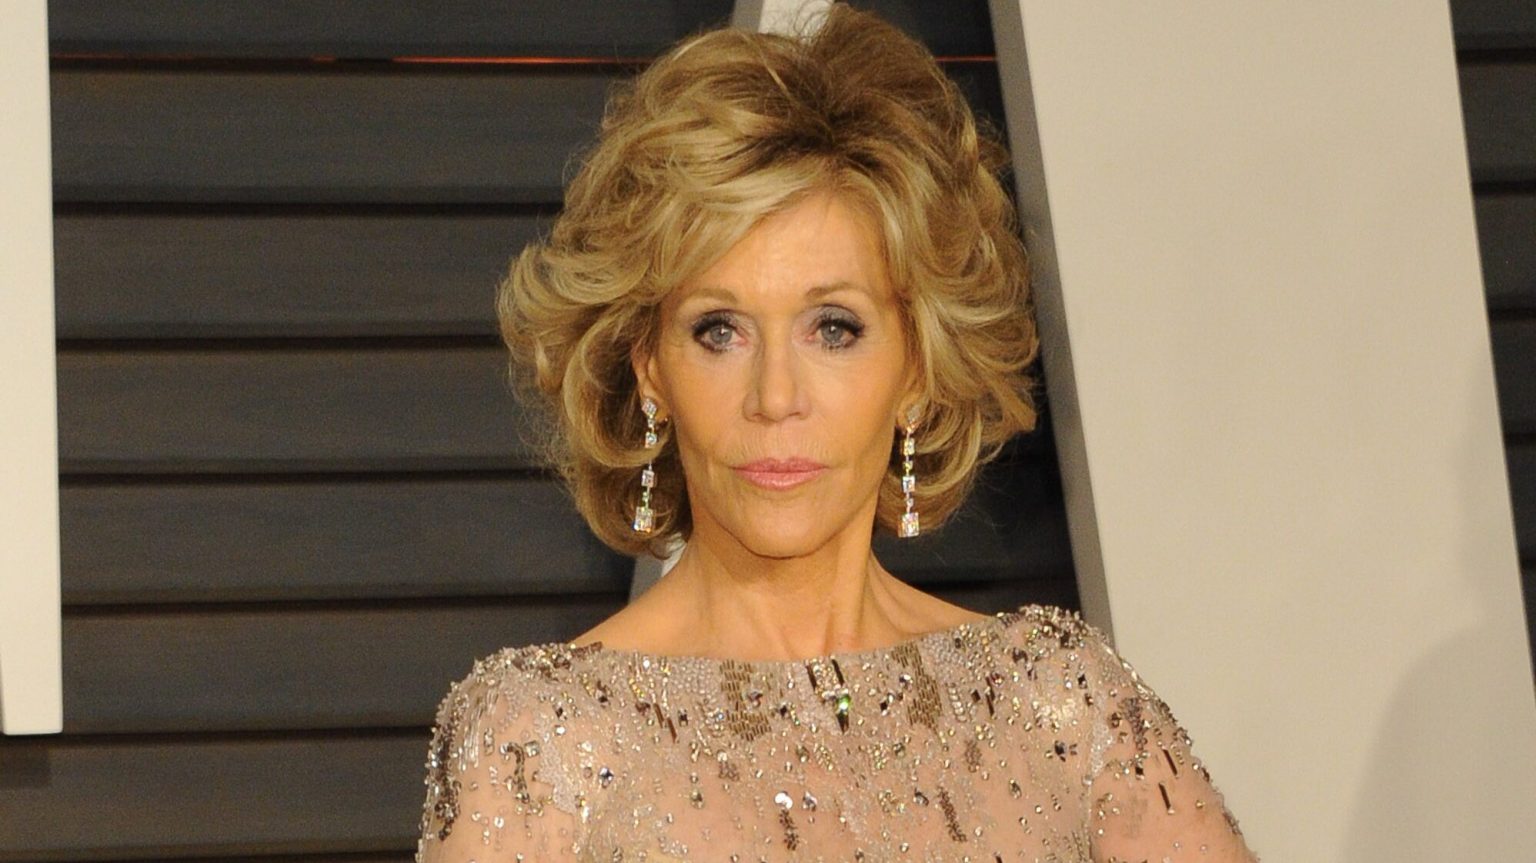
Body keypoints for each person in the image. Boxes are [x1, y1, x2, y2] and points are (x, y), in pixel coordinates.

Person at [415, 6, 1259, 861]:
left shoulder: (1062, 712)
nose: (776, 396)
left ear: (918, 364)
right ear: (650, 367)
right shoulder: (539, 746)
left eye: (833, 328)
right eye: (719, 330)